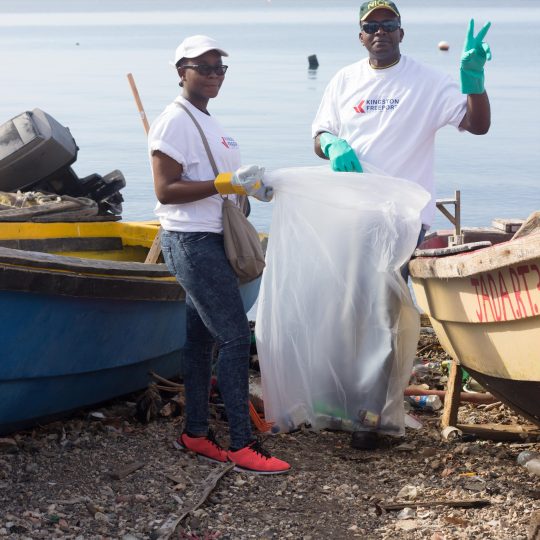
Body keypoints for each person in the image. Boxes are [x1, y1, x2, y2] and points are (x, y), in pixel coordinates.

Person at [311, 1, 491, 449]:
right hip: (351, 215)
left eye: (388, 25)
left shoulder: (428, 82)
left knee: (383, 313)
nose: (380, 32)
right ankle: (350, 403)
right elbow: (318, 134)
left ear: (401, 32)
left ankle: (376, 418)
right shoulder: (344, 80)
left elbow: (479, 125)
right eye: (371, 26)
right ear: (360, 35)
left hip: (401, 218)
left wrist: (474, 83)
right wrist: (331, 143)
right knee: (349, 311)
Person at [148, 34, 290, 474]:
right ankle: (242, 445)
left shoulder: (210, 122)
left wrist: (249, 191)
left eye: (219, 68)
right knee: (233, 337)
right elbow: (165, 190)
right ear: (181, 72)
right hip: (191, 242)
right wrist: (224, 184)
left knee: (200, 341)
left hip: (213, 238)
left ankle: (194, 433)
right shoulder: (174, 121)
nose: (213, 74)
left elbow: (223, 186)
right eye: (203, 67)